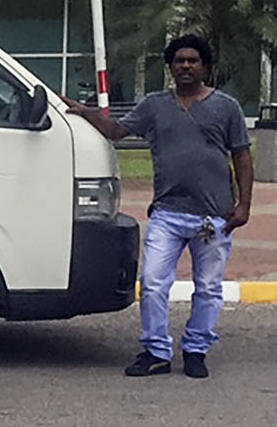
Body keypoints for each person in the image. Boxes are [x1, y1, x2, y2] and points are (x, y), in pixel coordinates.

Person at [66, 33, 253, 379]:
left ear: (205, 66)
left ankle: (196, 349)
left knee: (208, 288)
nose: (185, 66)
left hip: (213, 219)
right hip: (167, 213)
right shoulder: (154, 105)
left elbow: (242, 155)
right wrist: (84, 113)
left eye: (192, 61)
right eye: (179, 61)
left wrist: (244, 206)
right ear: (170, 67)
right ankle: (156, 351)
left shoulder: (227, 107)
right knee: (152, 282)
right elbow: (117, 130)